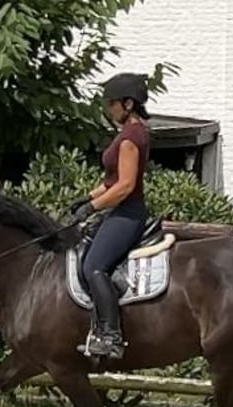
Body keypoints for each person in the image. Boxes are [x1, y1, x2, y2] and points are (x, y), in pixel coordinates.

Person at [69, 72, 152, 359]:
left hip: (127, 213)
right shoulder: (129, 133)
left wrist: (92, 208)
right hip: (119, 210)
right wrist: (86, 197)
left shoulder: (131, 136)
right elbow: (111, 181)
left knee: (95, 266)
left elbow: (125, 186)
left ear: (128, 104)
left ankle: (112, 337)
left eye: (112, 103)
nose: (109, 109)